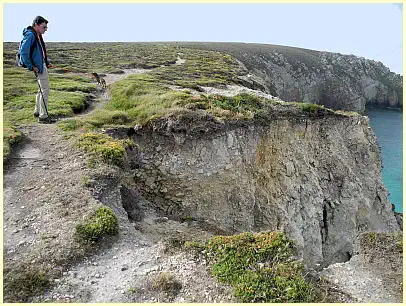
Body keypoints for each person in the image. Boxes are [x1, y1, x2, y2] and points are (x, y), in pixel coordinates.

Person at [19, 16, 55, 123]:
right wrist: (31, 66)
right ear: (36, 25)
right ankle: (43, 117)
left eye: (46, 27)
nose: (46, 29)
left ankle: (37, 111)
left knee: (41, 89)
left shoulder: (37, 35)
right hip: (38, 67)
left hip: (40, 65)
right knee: (45, 90)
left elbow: (41, 52)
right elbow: (24, 52)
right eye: (44, 27)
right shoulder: (31, 35)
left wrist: (46, 63)